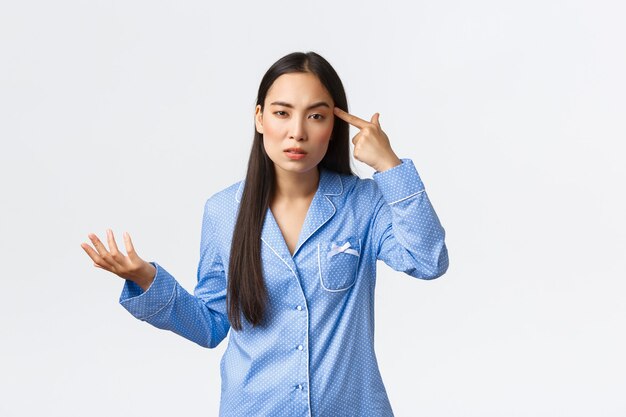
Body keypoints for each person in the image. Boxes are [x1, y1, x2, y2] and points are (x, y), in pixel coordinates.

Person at [81, 51, 449, 417]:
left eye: (316, 116)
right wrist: (145, 278)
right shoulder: (223, 211)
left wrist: (390, 165)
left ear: (333, 126)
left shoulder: (363, 204)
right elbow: (210, 325)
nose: (298, 132)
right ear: (259, 118)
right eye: (282, 113)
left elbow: (428, 260)